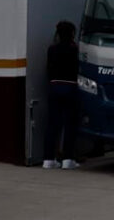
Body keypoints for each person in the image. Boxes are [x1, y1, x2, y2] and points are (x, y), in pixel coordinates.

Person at [42, 21, 80, 169]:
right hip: (70, 87)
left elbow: (48, 69)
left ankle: (48, 159)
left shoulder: (52, 49)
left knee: (52, 124)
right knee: (70, 124)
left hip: (54, 86)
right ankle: (67, 159)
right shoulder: (74, 49)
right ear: (72, 34)